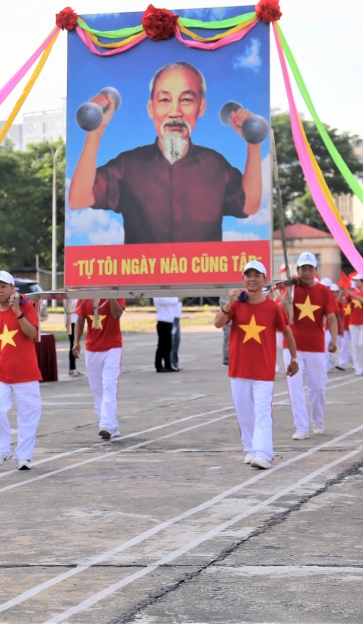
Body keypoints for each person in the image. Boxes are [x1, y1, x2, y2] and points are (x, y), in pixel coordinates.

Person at [68, 61, 263, 244]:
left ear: (201, 107)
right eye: (164, 100)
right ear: (151, 108)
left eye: (186, 100)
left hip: (205, 279)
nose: (175, 111)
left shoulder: (215, 165)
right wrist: (96, 130)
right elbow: (79, 198)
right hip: (143, 279)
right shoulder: (128, 165)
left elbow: (249, 205)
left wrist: (252, 142)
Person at [214, 261, 297, 470]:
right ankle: (250, 448)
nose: (252, 279)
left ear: (264, 280)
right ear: (243, 280)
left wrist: (294, 359)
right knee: (244, 413)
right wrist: (229, 301)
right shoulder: (235, 304)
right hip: (239, 369)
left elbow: (287, 332)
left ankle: (264, 453)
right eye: (248, 275)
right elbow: (218, 323)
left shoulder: (273, 307)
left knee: (262, 412)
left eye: (256, 275)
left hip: (263, 370)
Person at [0, 271, 42, 470]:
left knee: (28, 415)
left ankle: (24, 456)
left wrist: (18, 312)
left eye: (3, 287)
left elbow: (31, 333)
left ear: (12, 288)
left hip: (26, 372)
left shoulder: (26, 307)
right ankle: (1, 450)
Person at [280, 253, 338, 439]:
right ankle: (301, 427)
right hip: (292, 345)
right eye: (303, 269)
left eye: (309, 269)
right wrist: (288, 290)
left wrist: (334, 339)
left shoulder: (323, 291)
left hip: (315, 344)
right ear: (298, 270)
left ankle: (317, 420)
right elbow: (282, 311)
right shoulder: (292, 289)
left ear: (315, 270)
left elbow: (331, 317)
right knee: (295, 385)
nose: (306, 272)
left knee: (318, 386)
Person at [73, 297, 126, 439]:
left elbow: (117, 315)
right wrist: (76, 341)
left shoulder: (116, 292)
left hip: (112, 347)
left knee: (109, 386)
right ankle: (111, 424)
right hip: (92, 349)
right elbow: (80, 320)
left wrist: (110, 295)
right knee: (97, 390)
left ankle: (106, 425)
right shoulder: (85, 296)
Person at [343, 277, 363, 375]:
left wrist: (350, 293)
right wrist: (342, 293)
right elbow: (343, 301)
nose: (355, 283)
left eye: (357, 281)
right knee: (356, 346)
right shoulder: (353, 293)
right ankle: (359, 368)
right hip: (353, 323)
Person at [154, 297, 180, 373]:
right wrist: (178, 299)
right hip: (163, 323)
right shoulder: (158, 297)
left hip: (169, 323)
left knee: (168, 346)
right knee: (162, 346)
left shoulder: (165, 296)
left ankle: (168, 365)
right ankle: (158, 366)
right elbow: (173, 301)